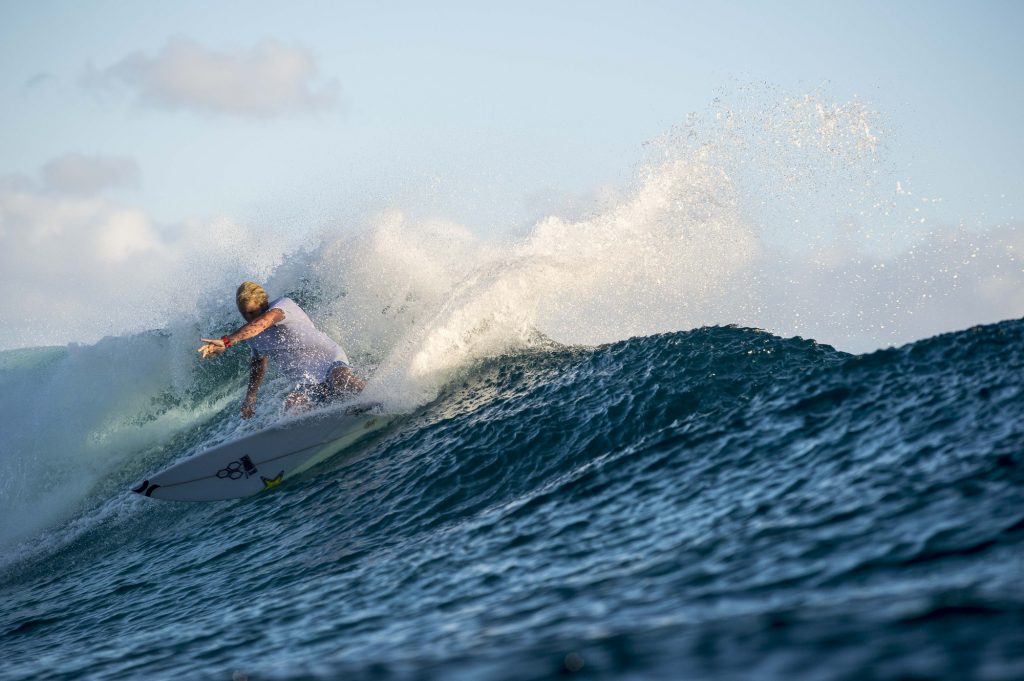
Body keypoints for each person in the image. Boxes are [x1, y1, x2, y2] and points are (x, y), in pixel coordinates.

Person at [198, 281, 365, 418]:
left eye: (252, 312)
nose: (248, 317)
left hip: (331, 362)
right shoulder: (251, 334)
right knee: (292, 405)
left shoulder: (282, 306)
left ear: (263, 304)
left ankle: (376, 396)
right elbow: (258, 362)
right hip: (307, 382)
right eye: (244, 313)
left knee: (340, 379)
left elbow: (263, 322)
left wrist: (226, 341)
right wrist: (251, 396)